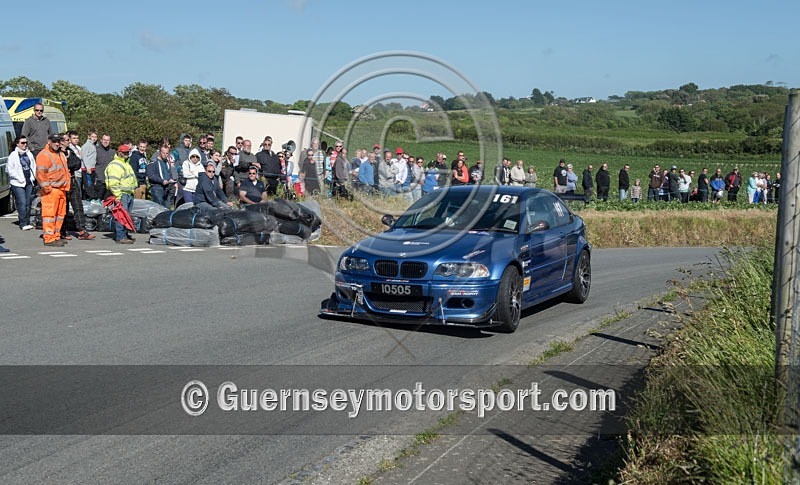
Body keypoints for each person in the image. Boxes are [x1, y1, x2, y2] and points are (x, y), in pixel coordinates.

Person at [36, 134, 71, 246]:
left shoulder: (60, 154)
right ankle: (49, 238)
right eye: (54, 141)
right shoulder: (44, 155)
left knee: (59, 215)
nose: (57, 143)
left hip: (61, 189)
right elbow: (41, 174)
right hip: (52, 190)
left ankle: (56, 236)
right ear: (49, 142)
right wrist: (47, 188)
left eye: (58, 141)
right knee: (49, 215)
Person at [60, 133, 94, 240]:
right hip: (63, 184)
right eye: (67, 140)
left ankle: (82, 231)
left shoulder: (70, 151)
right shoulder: (58, 153)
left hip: (72, 182)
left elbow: (77, 163)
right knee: (64, 209)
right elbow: (64, 166)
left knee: (78, 206)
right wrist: (69, 164)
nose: (69, 142)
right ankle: (63, 231)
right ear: (61, 142)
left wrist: (70, 164)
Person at [105, 143, 138, 244]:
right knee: (121, 216)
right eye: (124, 153)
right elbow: (113, 183)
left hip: (128, 193)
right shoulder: (115, 165)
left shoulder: (126, 163)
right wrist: (117, 196)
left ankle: (124, 234)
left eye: (127, 152)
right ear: (119, 152)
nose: (126, 154)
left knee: (126, 216)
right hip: (122, 194)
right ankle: (120, 236)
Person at [8, 136, 36, 230]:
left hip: (28, 181)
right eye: (22, 143)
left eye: (26, 143)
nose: (25, 145)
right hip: (17, 183)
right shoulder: (13, 155)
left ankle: (27, 221)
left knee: (28, 203)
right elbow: (10, 170)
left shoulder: (29, 154)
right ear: (17, 144)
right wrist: (18, 178)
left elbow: (33, 165)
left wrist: (33, 177)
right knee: (22, 202)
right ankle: (23, 223)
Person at [147, 144, 177, 208]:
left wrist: (170, 179)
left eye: (167, 153)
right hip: (157, 188)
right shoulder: (153, 162)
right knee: (158, 209)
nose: (165, 155)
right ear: (160, 152)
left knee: (167, 209)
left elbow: (169, 173)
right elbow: (151, 175)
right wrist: (161, 181)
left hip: (166, 188)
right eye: (163, 153)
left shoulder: (167, 162)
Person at [80, 130, 98, 199]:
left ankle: (92, 198)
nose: (94, 138)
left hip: (92, 168)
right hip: (87, 169)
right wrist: (88, 167)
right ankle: (92, 198)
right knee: (89, 185)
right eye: (92, 136)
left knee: (92, 185)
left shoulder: (93, 145)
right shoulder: (86, 145)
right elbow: (84, 157)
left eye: (95, 137)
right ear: (89, 137)